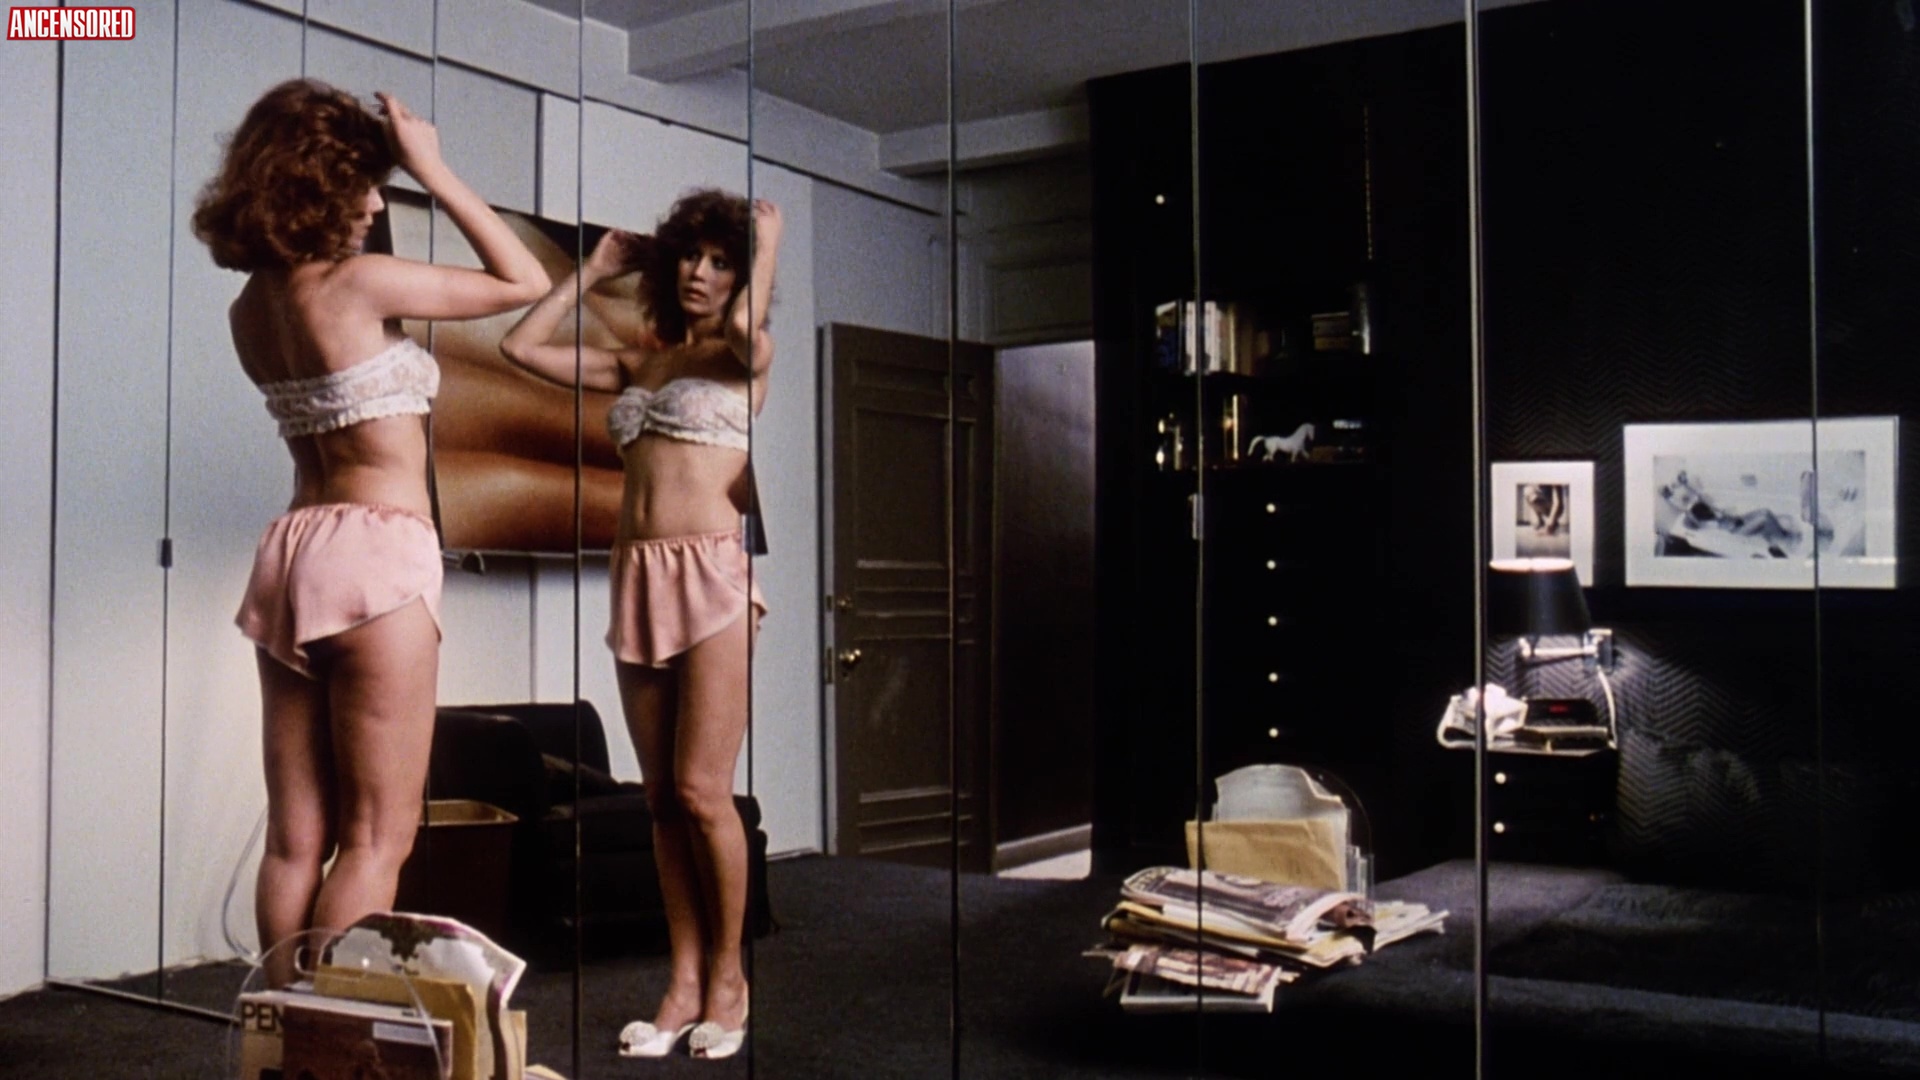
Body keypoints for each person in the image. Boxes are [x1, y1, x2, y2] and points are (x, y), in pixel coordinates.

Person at [191, 79, 550, 986]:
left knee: (294, 838)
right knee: (377, 838)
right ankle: (331, 1037)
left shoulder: (250, 310)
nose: (379, 205)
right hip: (378, 554)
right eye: (367, 185)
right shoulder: (359, 283)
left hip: (292, 551)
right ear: (318, 183)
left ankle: (281, 1024)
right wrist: (436, 168)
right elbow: (526, 280)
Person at [501, 189, 781, 1060]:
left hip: (714, 576)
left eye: (722, 261)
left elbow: (748, 328)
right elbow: (519, 347)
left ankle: (729, 979)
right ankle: (683, 981)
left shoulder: (744, 358)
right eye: (691, 256)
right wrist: (590, 271)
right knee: (660, 799)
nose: (701, 273)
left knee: (702, 792)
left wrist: (769, 244)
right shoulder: (640, 360)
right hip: (639, 575)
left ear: (742, 276)